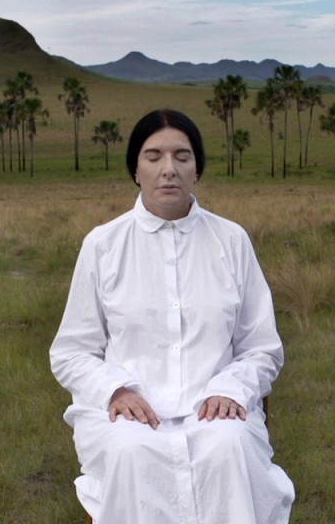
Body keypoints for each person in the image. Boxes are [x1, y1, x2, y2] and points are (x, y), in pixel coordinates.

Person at [50, 109, 294, 523]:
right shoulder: (103, 245)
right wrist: (116, 391)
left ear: (197, 169)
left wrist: (231, 390)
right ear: (135, 170)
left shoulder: (231, 241)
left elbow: (261, 347)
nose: (169, 170)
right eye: (153, 156)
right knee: (130, 450)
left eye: (182, 157)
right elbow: (72, 351)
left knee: (229, 446)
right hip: (130, 413)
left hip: (215, 408)